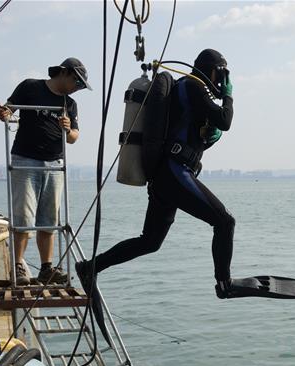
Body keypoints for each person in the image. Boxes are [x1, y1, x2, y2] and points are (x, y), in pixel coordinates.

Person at [75, 49, 239, 298]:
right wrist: (228, 96)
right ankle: (224, 284)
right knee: (225, 222)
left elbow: (193, 131)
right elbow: (225, 120)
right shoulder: (193, 87)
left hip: (166, 175)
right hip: (175, 173)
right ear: (213, 69)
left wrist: (208, 137)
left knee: (150, 241)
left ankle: (90, 267)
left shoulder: (187, 89)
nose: (220, 81)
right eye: (221, 74)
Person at [0, 57, 90, 285]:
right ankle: (18, 266)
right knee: (23, 216)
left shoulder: (70, 104)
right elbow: (8, 110)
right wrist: (3, 113)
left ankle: (46, 268)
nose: (78, 88)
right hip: (25, 160)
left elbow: (74, 138)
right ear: (65, 73)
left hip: (54, 164)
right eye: (77, 82)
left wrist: (68, 129)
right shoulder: (30, 87)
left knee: (49, 219)